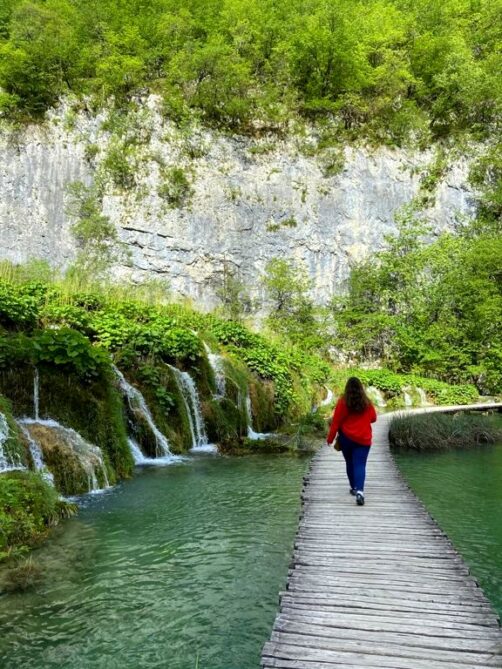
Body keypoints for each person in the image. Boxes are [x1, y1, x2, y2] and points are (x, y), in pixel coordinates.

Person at [327, 377, 377, 506]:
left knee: (350, 463)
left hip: (347, 438)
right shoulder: (367, 402)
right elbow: (373, 418)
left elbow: (336, 422)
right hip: (364, 439)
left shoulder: (343, 402)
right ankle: (360, 492)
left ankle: (354, 487)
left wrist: (330, 438)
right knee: (360, 464)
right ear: (361, 388)